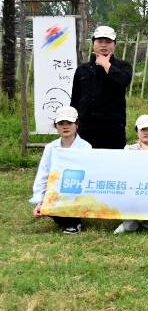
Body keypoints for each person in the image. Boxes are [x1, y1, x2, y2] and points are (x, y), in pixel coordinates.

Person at [30, 106, 91, 234]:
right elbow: (43, 174)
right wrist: (40, 201)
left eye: (69, 123)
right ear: (56, 126)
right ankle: (66, 221)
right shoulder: (50, 148)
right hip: (56, 192)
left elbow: (88, 175)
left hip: (77, 191)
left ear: (77, 124)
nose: (65, 127)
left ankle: (74, 222)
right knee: (48, 207)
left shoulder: (86, 147)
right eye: (61, 123)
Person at [70, 25, 133, 149]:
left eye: (108, 42)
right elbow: (75, 99)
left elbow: (124, 80)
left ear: (114, 44)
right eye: (100, 41)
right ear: (93, 43)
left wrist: (106, 65)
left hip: (113, 126)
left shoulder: (123, 66)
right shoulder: (83, 69)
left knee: (113, 159)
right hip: (86, 126)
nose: (103, 45)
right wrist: (72, 121)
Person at [114, 114, 148, 235]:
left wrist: (147, 153)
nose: (146, 132)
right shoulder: (128, 149)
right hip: (133, 191)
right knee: (130, 227)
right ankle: (129, 222)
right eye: (143, 129)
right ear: (137, 131)